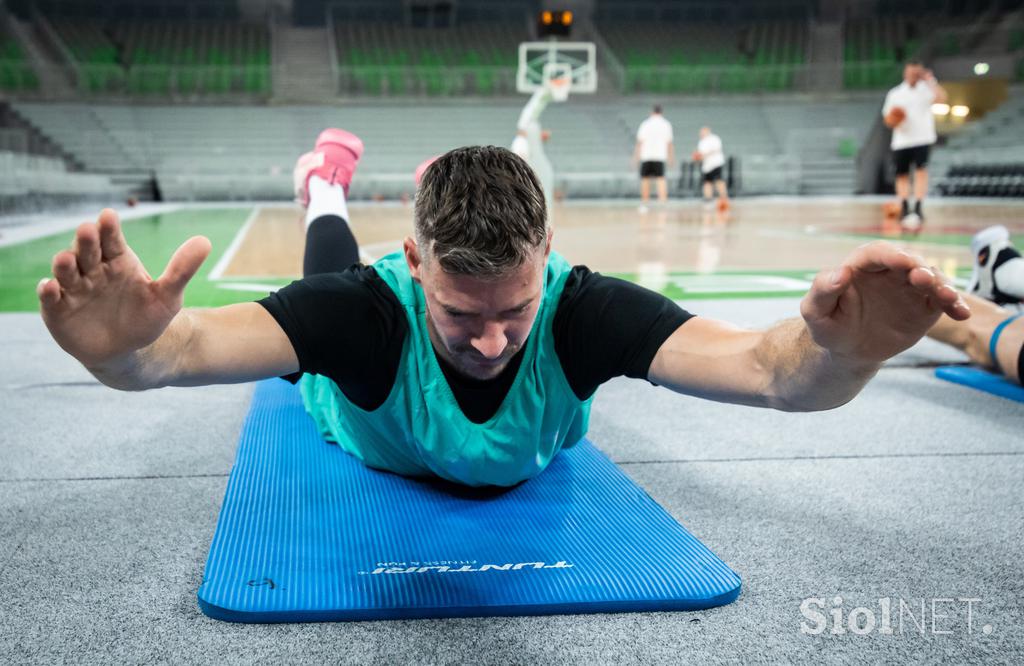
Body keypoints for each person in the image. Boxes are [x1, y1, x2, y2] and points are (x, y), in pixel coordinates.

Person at [37, 130, 969, 489]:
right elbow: (174, 354)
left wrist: (845, 357)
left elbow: (772, 374)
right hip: (352, 397)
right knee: (317, 305)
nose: (491, 341)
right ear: (414, 267)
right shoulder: (368, 313)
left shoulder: (585, 311)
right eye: (456, 313)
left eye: (515, 311)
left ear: (550, 261)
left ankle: (329, 188)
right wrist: (121, 354)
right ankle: (324, 188)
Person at [882, 60, 948, 231]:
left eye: (916, 73)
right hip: (902, 141)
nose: (913, 76)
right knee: (902, 175)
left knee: (921, 173)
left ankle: (918, 206)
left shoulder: (926, 90)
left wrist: (930, 80)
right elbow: (887, 119)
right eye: (911, 73)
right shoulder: (895, 93)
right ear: (905, 73)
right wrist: (895, 119)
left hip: (922, 139)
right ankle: (904, 206)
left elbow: (942, 98)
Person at [633, 105, 674, 213]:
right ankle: (663, 204)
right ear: (662, 112)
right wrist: (671, 157)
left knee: (645, 180)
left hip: (646, 155)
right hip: (660, 156)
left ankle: (644, 204)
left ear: (651, 112)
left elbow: (639, 142)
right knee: (661, 180)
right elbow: (669, 143)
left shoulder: (645, 124)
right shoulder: (666, 124)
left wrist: (636, 157)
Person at [693, 126, 729, 209]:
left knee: (719, 181)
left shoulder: (714, 139)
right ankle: (708, 198)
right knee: (707, 182)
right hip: (706, 166)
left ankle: (724, 198)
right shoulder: (701, 142)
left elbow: (715, 150)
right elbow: (700, 154)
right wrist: (697, 157)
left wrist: (703, 155)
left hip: (715, 164)